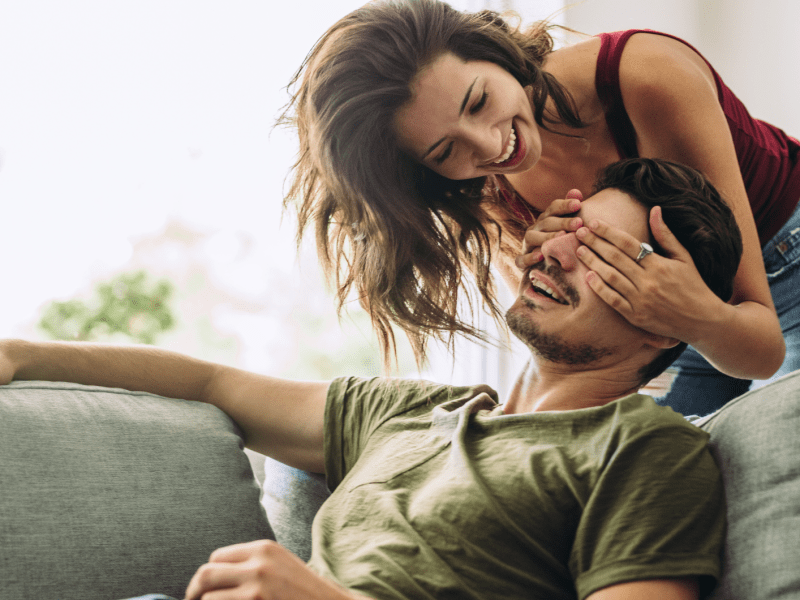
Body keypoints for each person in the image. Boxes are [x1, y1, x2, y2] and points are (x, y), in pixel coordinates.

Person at [1, 159, 740, 599]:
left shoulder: (646, 449)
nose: (554, 256)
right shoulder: (414, 413)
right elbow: (213, 384)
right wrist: (23, 358)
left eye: (606, 255)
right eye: (566, 234)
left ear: (662, 318)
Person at [281, 0, 800, 416]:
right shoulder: (478, 194)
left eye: (479, 101)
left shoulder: (645, 77)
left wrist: (693, 315)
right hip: (662, 322)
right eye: (445, 150)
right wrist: (541, 278)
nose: (488, 148)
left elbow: (760, 346)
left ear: (491, 51)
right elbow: (566, 362)